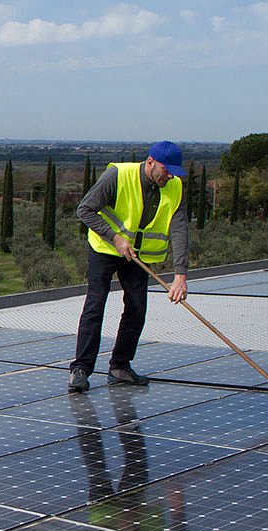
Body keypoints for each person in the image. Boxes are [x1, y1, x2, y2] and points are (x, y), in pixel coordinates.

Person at [67, 140, 190, 393]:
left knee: (137, 307)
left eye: (174, 172)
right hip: (105, 248)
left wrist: (180, 276)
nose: (170, 176)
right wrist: (114, 237)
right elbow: (85, 210)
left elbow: (180, 229)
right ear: (151, 162)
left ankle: (120, 367)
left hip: (137, 254)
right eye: (166, 170)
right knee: (95, 304)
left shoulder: (175, 187)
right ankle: (81, 368)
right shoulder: (119, 175)